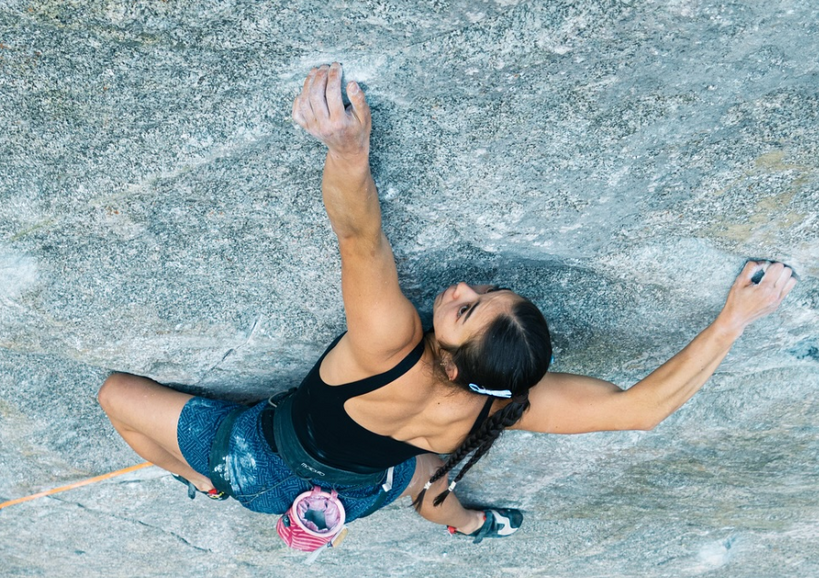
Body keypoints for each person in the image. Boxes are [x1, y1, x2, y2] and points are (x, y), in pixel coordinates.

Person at [97, 63, 798, 542]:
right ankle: (471, 526)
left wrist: (346, 150)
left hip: (263, 465)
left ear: (457, 360)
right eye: (489, 293)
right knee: (430, 479)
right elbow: (640, 410)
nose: (464, 287)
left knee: (116, 398)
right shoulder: (503, 406)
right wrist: (734, 320)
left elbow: (360, 238)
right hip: (373, 487)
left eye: (468, 309)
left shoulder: (385, 345)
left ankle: (208, 485)